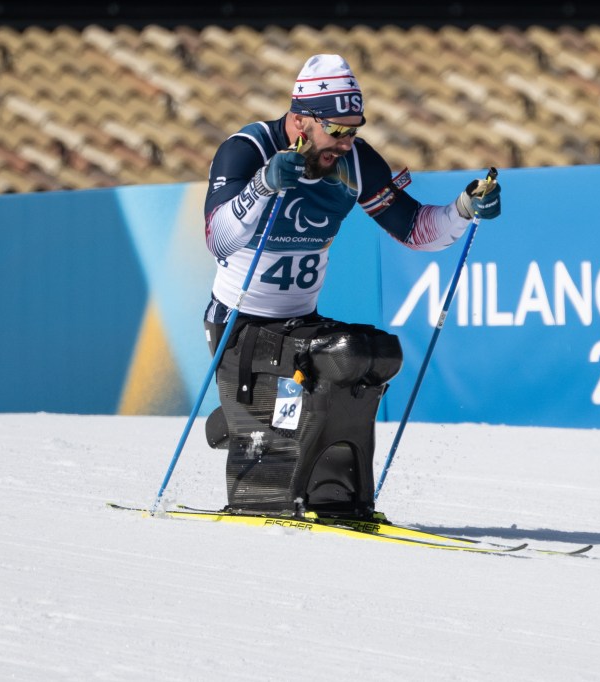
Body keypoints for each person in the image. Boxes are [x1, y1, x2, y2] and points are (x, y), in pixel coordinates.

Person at [201, 54, 501, 520]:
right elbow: (217, 240)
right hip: (238, 326)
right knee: (328, 368)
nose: (345, 143)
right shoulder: (247, 150)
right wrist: (262, 186)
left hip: (299, 322)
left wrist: (462, 210)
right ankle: (244, 437)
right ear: (300, 120)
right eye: (336, 130)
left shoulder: (354, 162)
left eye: (354, 130)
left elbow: (414, 229)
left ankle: (334, 494)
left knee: (368, 355)